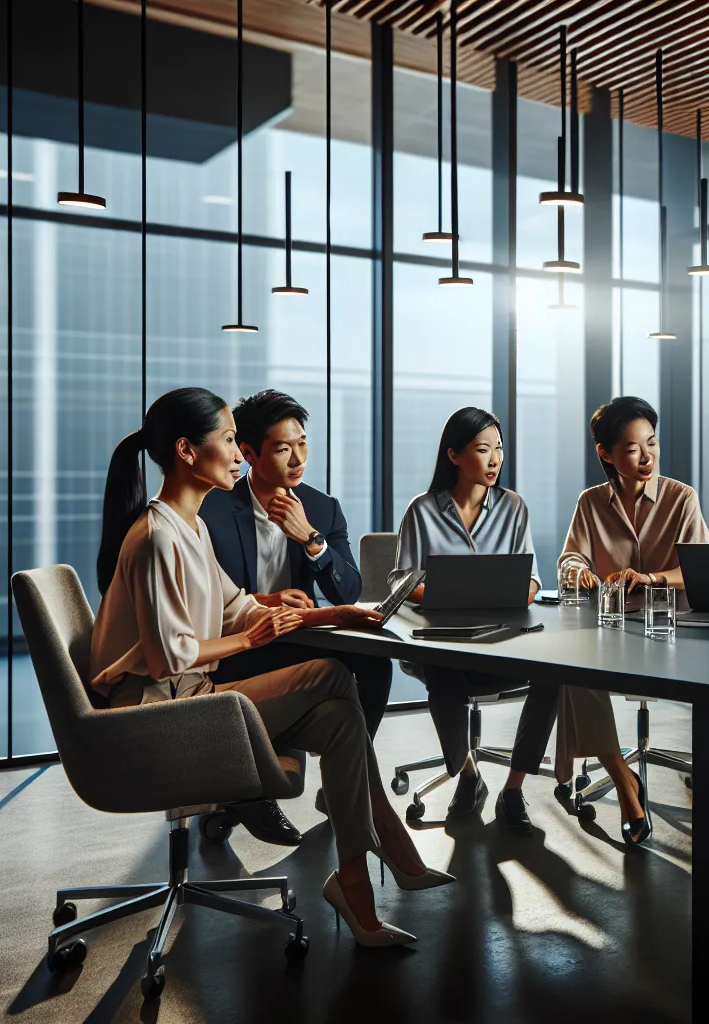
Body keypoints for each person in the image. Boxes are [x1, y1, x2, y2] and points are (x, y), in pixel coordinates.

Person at [89, 387, 447, 948]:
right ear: (187, 450)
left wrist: (332, 611)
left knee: (341, 720)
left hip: (193, 695)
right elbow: (169, 655)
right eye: (230, 441)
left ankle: (352, 880)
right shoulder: (161, 536)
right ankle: (371, 854)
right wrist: (257, 634)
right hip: (153, 716)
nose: (238, 455)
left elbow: (236, 606)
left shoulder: (190, 527)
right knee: (333, 677)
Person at [197, 389, 393, 848]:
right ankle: (250, 789)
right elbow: (204, 601)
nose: (297, 458)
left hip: (296, 639)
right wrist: (265, 603)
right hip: (234, 648)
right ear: (248, 454)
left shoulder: (321, 508)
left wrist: (312, 540)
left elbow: (348, 589)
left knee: (373, 664)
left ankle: (344, 781)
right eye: (283, 448)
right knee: (329, 680)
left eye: (302, 443)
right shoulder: (212, 506)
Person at [394, 407, 555, 833]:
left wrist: (514, 595)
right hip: (444, 643)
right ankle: (468, 776)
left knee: (553, 676)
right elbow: (402, 581)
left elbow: (534, 579)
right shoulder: (422, 511)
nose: (494, 459)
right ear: (453, 455)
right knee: (441, 672)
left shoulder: (513, 507)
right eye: (483, 450)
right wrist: (446, 598)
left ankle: (514, 788)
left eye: (498, 449)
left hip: (505, 642)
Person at [556, 396, 702, 845]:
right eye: (634, 448)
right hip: (610, 631)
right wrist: (578, 571)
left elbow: (701, 571)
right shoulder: (591, 503)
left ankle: (597, 779)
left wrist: (652, 576)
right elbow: (571, 556)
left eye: (652, 444)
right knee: (572, 671)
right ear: (606, 454)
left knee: (575, 671)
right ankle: (624, 782)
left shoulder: (681, 498)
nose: (647, 456)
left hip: (671, 634)